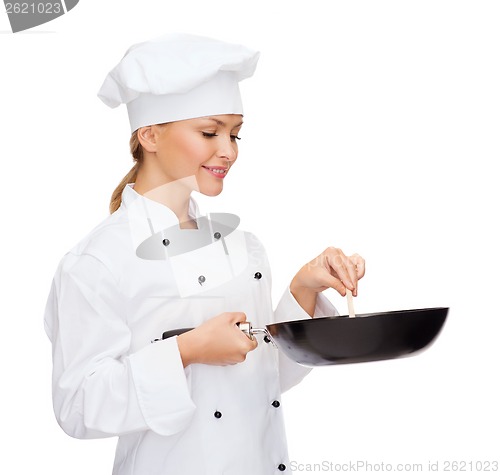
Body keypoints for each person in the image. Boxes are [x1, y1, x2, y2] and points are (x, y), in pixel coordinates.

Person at [44, 33, 365, 475]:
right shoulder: (98, 261)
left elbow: (263, 379)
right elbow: (78, 405)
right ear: (151, 135)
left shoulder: (242, 248)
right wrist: (186, 351)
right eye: (210, 132)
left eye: (235, 134)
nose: (229, 151)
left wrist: (304, 287)